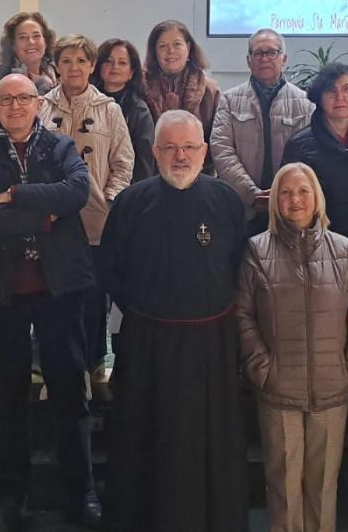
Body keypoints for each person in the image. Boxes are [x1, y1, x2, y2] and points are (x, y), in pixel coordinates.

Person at [0, 73, 100, 531]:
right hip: (3, 294)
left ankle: (80, 493)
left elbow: (76, 192)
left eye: (23, 98)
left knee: (69, 394)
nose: (15, 106)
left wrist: (17, 196)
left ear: (39, 103)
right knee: (10, 398)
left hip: (58, 290)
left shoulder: (60, 148)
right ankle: (12, 495)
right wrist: (44, 217)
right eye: (6, 100)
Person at [98, 110, 248, 531]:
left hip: (211, 346)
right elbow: (111, 268)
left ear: (204, 151)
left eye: (188, 147)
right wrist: (145, 313)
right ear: (154, 151)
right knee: (144, 440)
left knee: (209, 442)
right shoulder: (131, 202)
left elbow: (240, 267)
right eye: (170, 147)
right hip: (148, 345)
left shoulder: (226, 200)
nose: (180, 156)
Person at [235, 161, 348, 532]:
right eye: (286, 192)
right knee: (282, 488)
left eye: (303, 191)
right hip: (278, 391)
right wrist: (262, 370)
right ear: (276, 200)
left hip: (333, 391)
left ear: (317, 198)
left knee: (324, 487)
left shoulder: (344, 250)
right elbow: (243, 316)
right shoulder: (257, 251)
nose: (295, 199)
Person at [40, 34, 135, 376]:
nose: (74, 67)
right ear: (57, 66)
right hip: (51, 217)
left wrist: (110, 197)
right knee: (52, 291)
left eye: (81, 60)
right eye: (66, 60)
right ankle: (51, 362)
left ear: (92, 66)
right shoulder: (41, 107)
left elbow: (124, 160)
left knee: (93, 295)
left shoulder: (109, 109)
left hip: (95, 218)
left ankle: (93, 361)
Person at [211, 29, 315, 235]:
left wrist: (283, 195)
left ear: (284, 59)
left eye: (272, 52)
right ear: (249, 61)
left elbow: (310, 154)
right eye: (258, 53)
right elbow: (221, 150)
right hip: (242, 207)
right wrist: (251, 193)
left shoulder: (305, 103)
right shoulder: (229, 100)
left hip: (291, 208)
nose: (265, 58)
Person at [280, 62, 348, 244]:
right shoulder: (299, 145)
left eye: (347, 89)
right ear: (319, 97)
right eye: (331, 91)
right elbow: (289, 202)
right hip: (323, 245)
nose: (340, 97)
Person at [0, 11, 58, 141]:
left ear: (46, 42)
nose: (31, 42)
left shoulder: (60, 80)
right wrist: (13, 126)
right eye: (23, 37)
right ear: (12, 45)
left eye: (36, 36)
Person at [91, 37, 155, 182]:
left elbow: (144, 162)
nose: (115, 67)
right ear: (98, 66)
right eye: (108, 61)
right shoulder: (87, 100)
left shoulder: (139, 110)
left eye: (122, 62)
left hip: (127, 186)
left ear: (131, 72)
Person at [141, 20, 220, 131]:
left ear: (188, 47)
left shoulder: (210, 90)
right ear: (154, 51)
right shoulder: (140, 87)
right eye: (163, 46)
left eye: (177, 44)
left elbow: (217, 136)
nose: (171, 51)